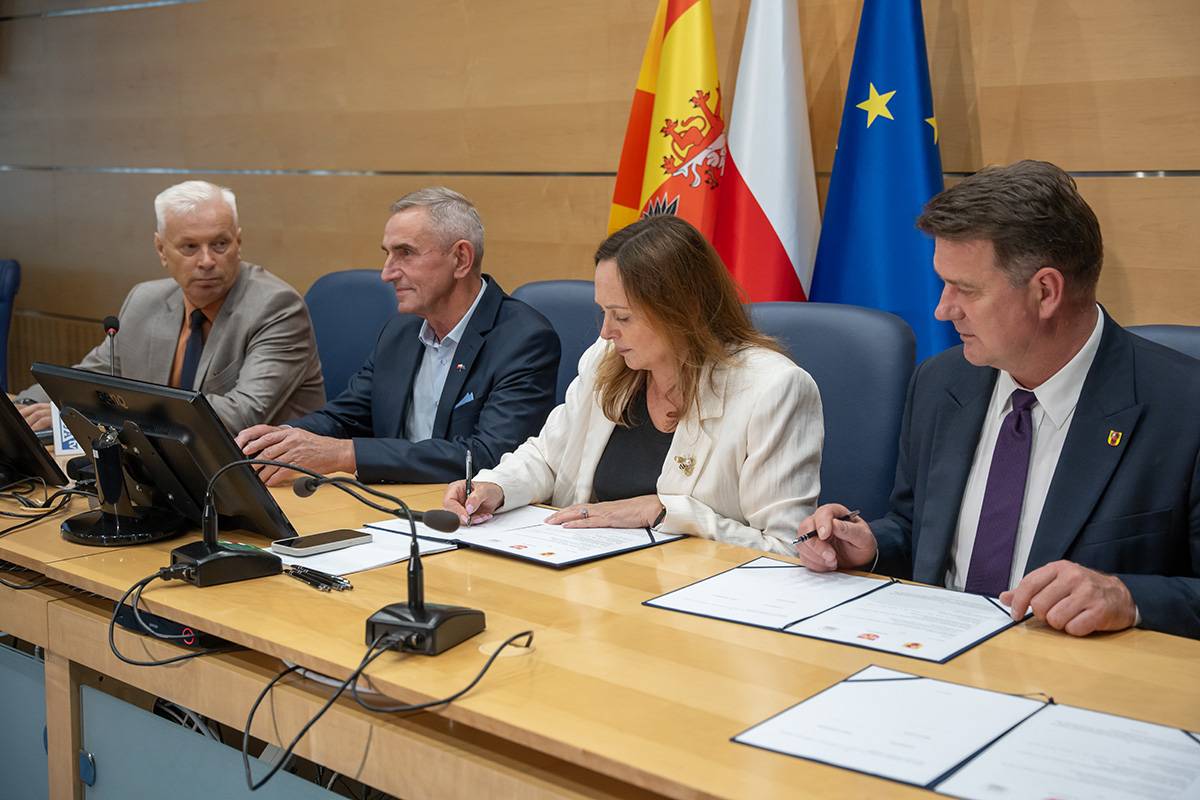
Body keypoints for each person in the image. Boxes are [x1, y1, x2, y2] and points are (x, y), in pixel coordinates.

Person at [793, 160, 1200, 639]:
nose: (943, 309)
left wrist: (1128, 598)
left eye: (965, 289)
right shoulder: (942, 382)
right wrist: (868, 544)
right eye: (944, 284)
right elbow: (915, 528)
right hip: (929, 650)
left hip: (1076, 668)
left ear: (1045, 291)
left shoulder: (1183, 408)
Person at [443, 214, 823, 555]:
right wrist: (495, 487)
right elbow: (548, 457)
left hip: (689, 597)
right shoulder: (608, 359)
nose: (606, 332)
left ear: (683, 311)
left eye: (622, 316)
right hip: (591, 581)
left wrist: (662, 512)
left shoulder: (773, 389)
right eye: (603, 312)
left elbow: (787, 548)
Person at [236, 187, 560, 484]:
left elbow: (490, 456)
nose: (386, 273)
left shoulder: (524, 339)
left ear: (460, 259)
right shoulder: (401, 330)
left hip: (469, 512)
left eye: (405, 253)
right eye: (387, 254)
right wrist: (279, 440)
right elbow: (346, 417)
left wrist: (348, 455)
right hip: (393, 502)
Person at [15, 180, 324, 433]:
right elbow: (92, 375)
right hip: (166, 467)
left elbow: (242, 415)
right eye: (190, 247)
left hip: (264, 474)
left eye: (220, 244)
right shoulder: (144, 300)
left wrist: (112, 409)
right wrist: (25, 406)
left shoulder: (276, 307)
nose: (207, 261)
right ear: (161, 249)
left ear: (238, 243)